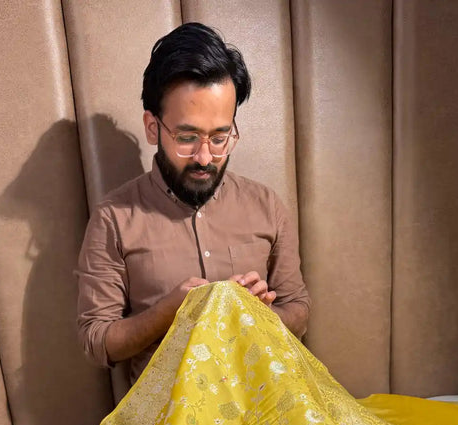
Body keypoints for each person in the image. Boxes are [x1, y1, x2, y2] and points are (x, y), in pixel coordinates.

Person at [76, 22, 311, 384]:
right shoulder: (114, 219)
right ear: (153, 128)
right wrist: (169, 311)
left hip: (264, 403)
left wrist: (260, 315)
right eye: (187, 137)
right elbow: (97, 341)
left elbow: (299, 311)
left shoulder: (266, 205)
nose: (205, 157)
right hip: (170, 422)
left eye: (220, 137)